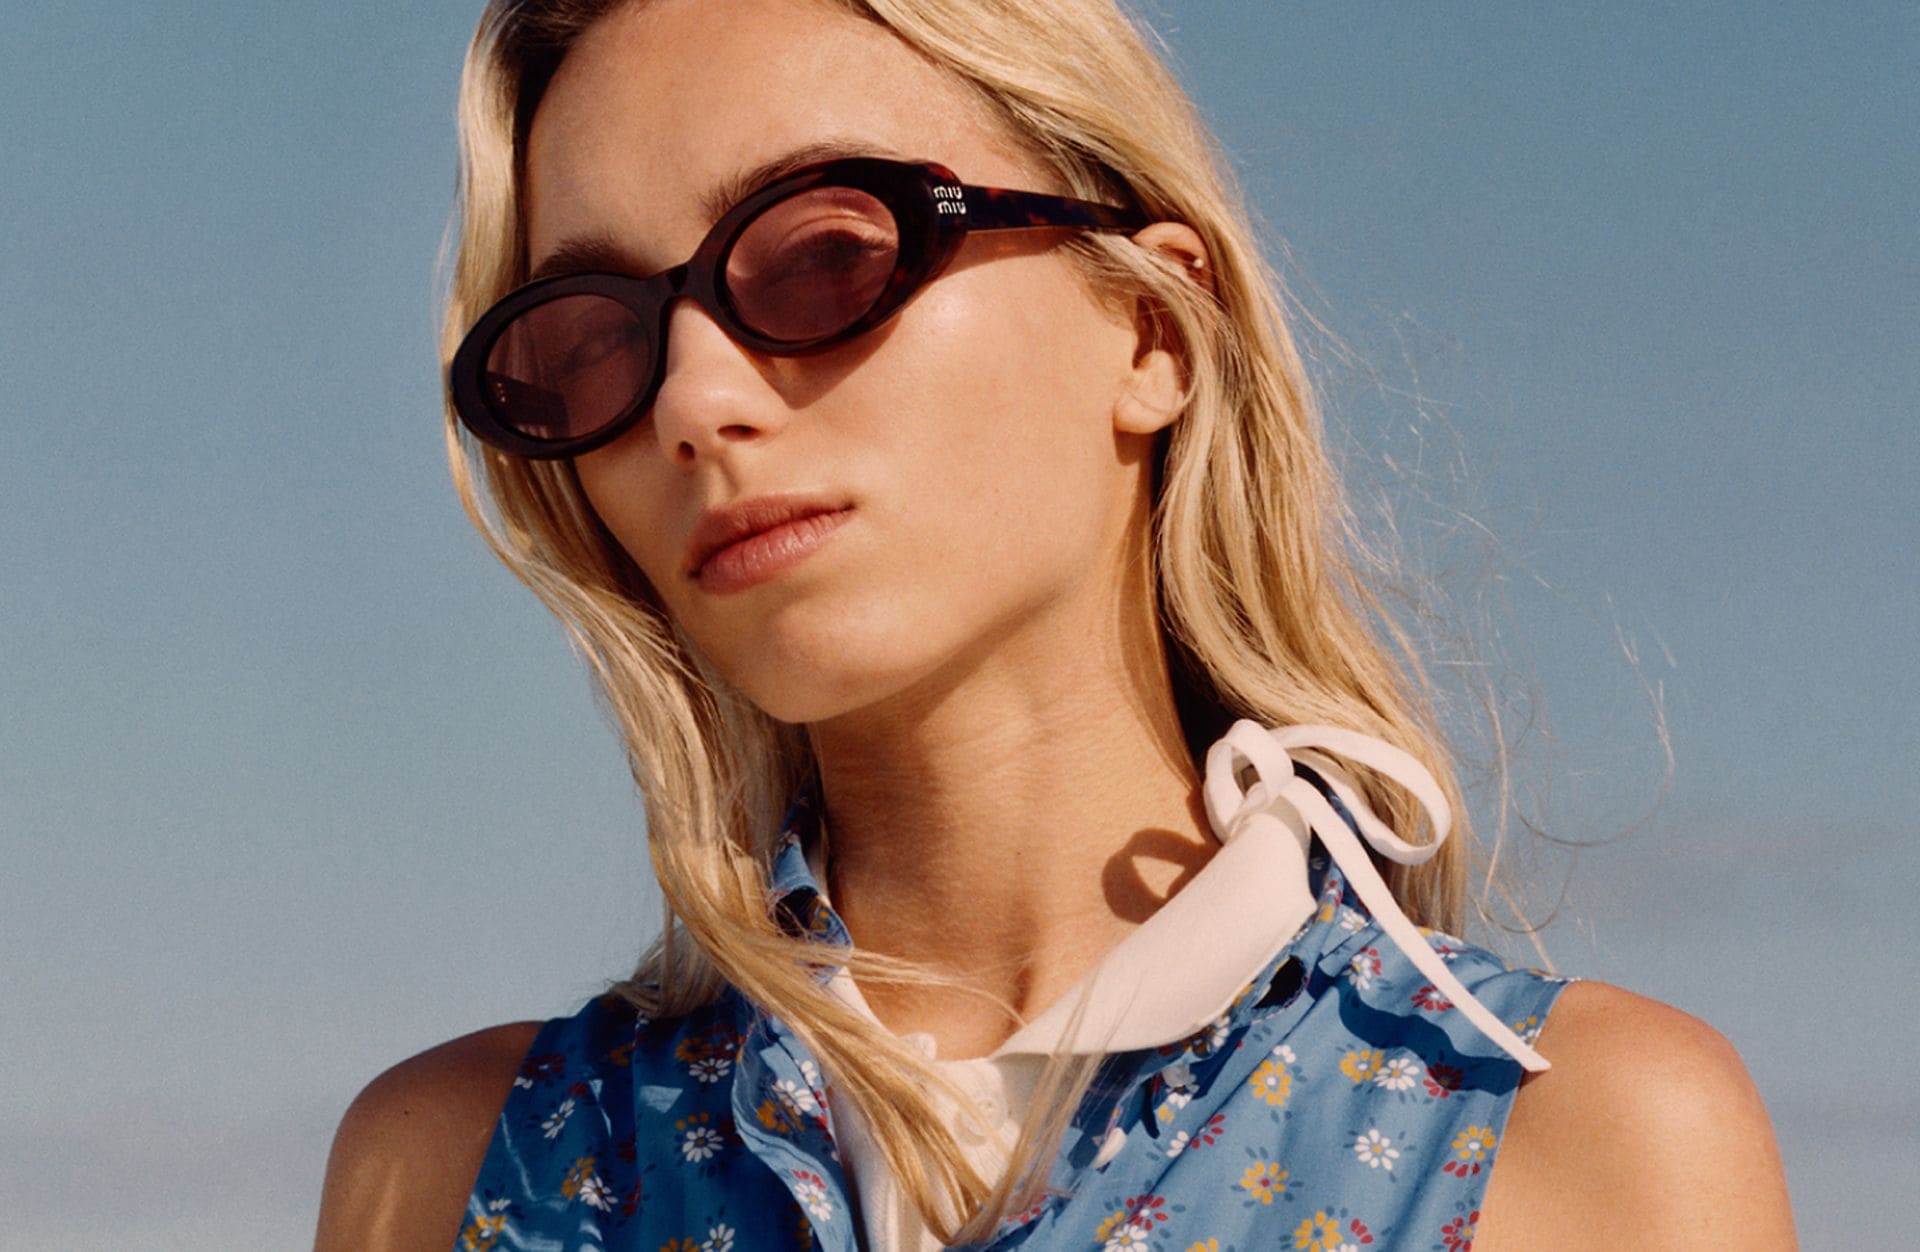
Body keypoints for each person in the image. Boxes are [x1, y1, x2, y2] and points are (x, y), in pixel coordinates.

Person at [317, 0, 1797, 1247]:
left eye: (827, 254)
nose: (694, 403)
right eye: (588, 343)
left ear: (1151, 327)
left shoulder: (1577, 1142)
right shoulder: (460, 1172)